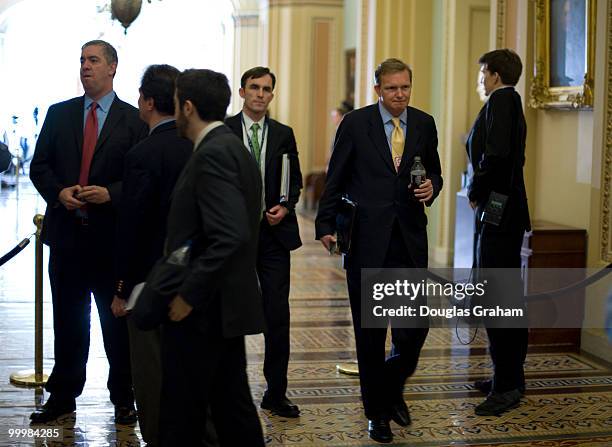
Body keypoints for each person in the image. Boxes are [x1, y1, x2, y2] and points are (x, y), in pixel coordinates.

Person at [315, 58, 443, 443]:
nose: (399, 95)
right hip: (367, 242)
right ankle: (377, 414)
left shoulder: (424, 123)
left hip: (408, 239)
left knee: (413, 330)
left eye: (405, 87)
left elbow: (435, 170)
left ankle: (390, 387)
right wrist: (325, 225)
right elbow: (335, 176)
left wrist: (432, 187)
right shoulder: (355, 124)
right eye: (392, 88)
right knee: (371, 334)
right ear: (378, 90)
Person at [29, 40, 147, 424]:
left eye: (93, 60)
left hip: (111, 242)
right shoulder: (59, 114)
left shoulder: (133, 121)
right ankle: (63, 396)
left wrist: (109, 193)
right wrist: (58, 192)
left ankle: (123, 397)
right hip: (66, 237)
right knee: (68, 322)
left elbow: (143, 181)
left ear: (113, 67)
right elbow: (39, 165)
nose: (85, 66)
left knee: (116, 325)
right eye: (81, 60)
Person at [159, 68, 266, 446]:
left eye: (175, 102)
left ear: (187, 106)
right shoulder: (231, 145)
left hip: (207, 311)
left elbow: (230, 235)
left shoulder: (214, 153)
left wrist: (188, 294)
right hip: (223, 307)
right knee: (231, 408)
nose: (174, 110)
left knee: (185, 413)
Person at [110, 64, 192, 444]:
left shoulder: (143, 154)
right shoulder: (198, 146)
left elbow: (133, 228)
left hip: (150, 280)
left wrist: (122, 287)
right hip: (194, 278)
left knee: (150, 372)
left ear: (146, 102)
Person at [225, 66, 303, 418]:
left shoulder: (283, 133)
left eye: (266, 89)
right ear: (241, 92)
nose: (259, 94)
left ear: (272, 95)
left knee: (276, 313)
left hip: (272, 237)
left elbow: (295, 181)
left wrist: (285, 207)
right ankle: (230, 388)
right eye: (253, 87)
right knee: (229, 311)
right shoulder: (224, 131)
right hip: (234, 237)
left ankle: (276, 391)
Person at [466, 49, 530, 416]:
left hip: (498, 212)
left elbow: (497, 156)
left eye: (481, 75)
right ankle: (507, 376)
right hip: (501, 211)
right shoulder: (507, 102)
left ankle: (507, 386)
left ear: (492, 75)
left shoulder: (501, 102)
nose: (480, 81)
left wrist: (476, 193)